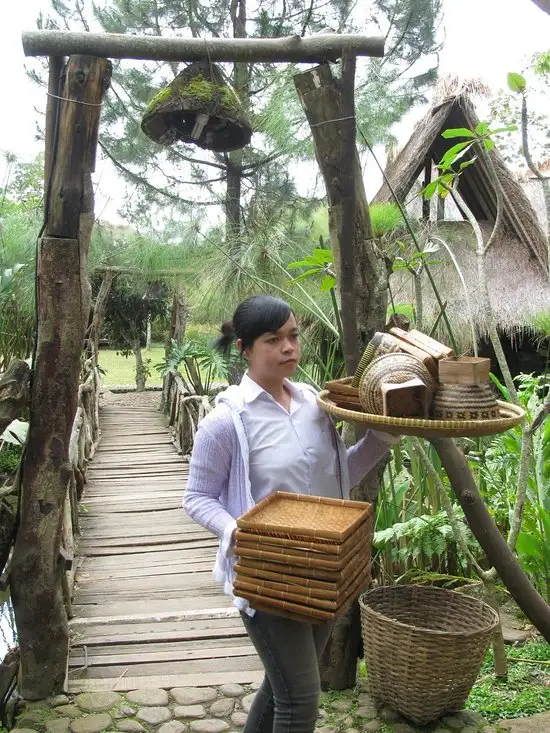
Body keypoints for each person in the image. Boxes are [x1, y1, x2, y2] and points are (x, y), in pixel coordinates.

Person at [184, 294, 398, 733]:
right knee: (300, 700)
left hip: (323, 570)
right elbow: (197, 497)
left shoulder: (314, 406)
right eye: (274, 339)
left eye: (294, 336)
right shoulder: (227, 421)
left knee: (281, 688)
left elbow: (341, 474)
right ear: (244, 348)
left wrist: (384, 435)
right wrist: (236, 530)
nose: (289, 347)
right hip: (268, 575)